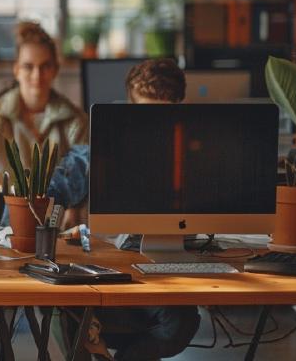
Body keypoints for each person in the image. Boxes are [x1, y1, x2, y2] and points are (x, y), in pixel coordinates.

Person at [47, 58, 199, 361]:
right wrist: (61, 229)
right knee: (65, 308)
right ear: (128, 109)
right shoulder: (90, 159)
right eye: (144, 115)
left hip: (157, 283)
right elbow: (43, 207)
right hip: (99, 281)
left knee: (182, 322)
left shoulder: (193, 162)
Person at [0, 21, 88, 167]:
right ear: (16, 70)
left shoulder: (76, 122)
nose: (37, 75)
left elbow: (80, 182)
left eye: (45, 66)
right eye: (28, 66)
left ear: (55, 70)